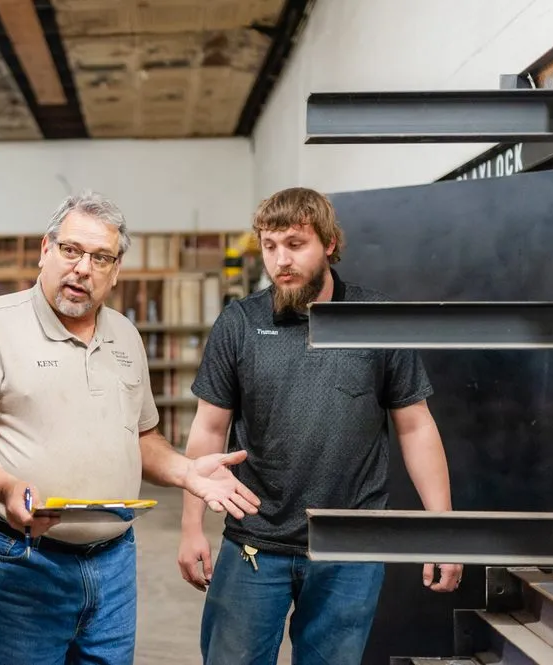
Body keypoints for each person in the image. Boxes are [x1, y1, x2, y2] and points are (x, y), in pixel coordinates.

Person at [0, 190, 262, 665]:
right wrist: (6, 485)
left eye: (100, 257)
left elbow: (141, 438)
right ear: (45, 250)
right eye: (71, 250)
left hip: (114, 563)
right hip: (20, 561)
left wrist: (186, 472)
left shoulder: (125, 336)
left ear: (115, 271)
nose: (82, 268)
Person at [177, 186, 463, 665]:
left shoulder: (376, 320)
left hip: (349, 548)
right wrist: (190, 527)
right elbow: (208, 429)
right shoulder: (240, 323)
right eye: (270, 246)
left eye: (295, 244)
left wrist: (444, 530)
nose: (280, 260)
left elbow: (416, 428)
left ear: (329, 243)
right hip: (254, 542)